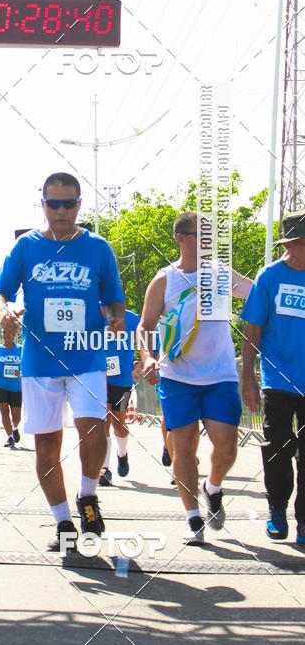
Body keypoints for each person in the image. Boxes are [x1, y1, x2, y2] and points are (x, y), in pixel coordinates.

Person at [0, 172, 125, 552]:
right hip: (40, 358)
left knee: (93, 430)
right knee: (47, 446)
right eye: (54, 204)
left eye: (69, 203)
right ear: (43, 204)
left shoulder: (98, 248)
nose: (61, 211)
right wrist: (3, 312)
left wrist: (115, 316)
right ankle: (63, 522)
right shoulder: (26, 248)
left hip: (87, 353)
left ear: (80, 205)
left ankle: (88, 495)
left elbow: (115, 298)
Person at [137, 211, 252, 544]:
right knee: (183, 448)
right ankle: (192, 518)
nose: (209, 243)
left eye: (211, 237)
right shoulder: (164, 280)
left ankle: (212, 486)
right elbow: (145, 326)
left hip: (220, 377)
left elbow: (255, 291)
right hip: (176, 377)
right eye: (202, 237)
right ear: (181, 239)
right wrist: (149, 358)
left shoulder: (220, 274)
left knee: (227, 447)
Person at [241, 210, 305, 544]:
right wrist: (247, 375)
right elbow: (252, 327)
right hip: (278, 382)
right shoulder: (270, 278)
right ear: (293, 244)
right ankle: (277, 508)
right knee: (278, 450)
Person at [100, 310, 143, 486]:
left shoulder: (132, 318)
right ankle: (104, 468)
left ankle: (122, 453)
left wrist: (139, 366)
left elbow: (150, 343)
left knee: (119, 422)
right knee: (103, 421)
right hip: (99, 378)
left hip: (123, 379)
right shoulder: (93, 315)